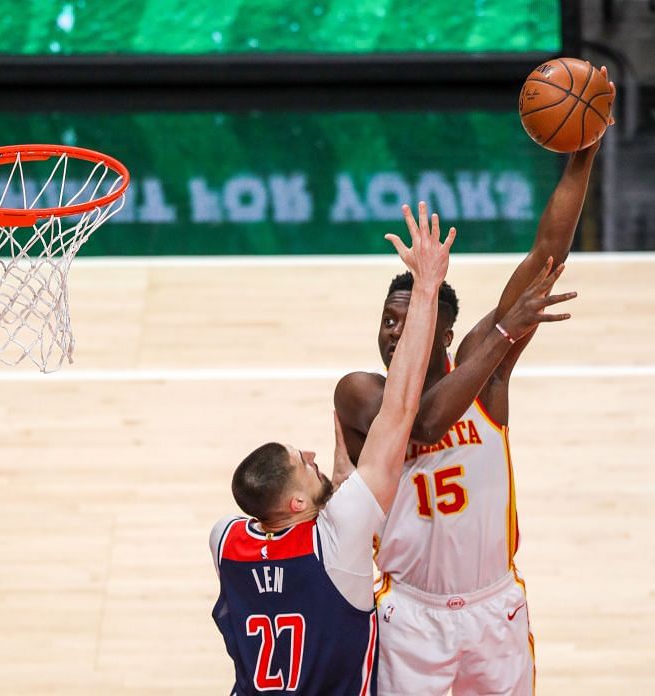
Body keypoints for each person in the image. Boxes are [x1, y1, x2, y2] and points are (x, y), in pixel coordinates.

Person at [334, 74, 614, 696]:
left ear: (443, 328)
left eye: (408, 321)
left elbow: (547, 251)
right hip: (409, 614)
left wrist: (583, 154)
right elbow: (424, 421)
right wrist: (504, 334)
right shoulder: (361, 395)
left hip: (495, 608)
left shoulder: (484, 373)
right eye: (387, 320)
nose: (392, 333)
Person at [210, 206, 455, 695]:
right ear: (296, 504)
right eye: (302, 462)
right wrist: (426, 287)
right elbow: (401, 410)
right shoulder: (337, 542)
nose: (312, 455)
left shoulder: (226, 542)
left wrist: (338, 488)